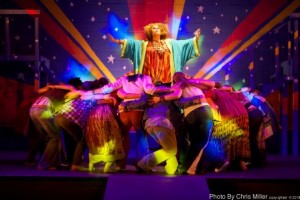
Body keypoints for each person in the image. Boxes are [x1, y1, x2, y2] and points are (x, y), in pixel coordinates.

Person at [108, 23, 201, 84]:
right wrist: (116, 40)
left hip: (167, 78)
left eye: (158, 28)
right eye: (153, 28)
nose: (156, 29)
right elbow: (131, 43)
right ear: (150, 31)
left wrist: (195, 38)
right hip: (149, 79)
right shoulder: (144, 44)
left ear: (161, 31)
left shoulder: (170, 43)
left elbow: (183, 44)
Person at [29, 78, 81, 170]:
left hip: (33, 109)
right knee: (55, 138)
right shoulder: (69, 89)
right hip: (43, 110)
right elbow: (72, 88)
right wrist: (53, 86)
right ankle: (46, 164)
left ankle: (52, 163)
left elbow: (37, 92)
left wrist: (51, 86)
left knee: (49, 137)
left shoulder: (54, 91)